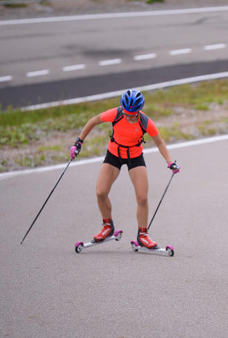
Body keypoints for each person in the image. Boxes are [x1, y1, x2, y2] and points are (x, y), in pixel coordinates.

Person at [70, 89, 180, 247]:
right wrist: (78, 142)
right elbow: (93, 121)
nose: (128, 117)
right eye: (126, 113)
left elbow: (159, 142)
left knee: (142, 197)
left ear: (139, 110)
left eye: (132, 114)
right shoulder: (115, 114)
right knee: (101, 192)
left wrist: (170, 162)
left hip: (135, 157)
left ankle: (142, 235)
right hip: (114, 155)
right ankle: (107, 227)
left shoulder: (145, 122)